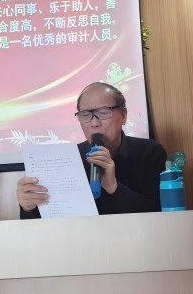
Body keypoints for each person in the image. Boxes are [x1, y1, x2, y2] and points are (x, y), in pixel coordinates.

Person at [17, 82, 167, 218]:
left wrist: (113, 187)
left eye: (103, 112)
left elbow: (160, 215)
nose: (94, 123)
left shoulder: (150, 153)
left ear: (123, 115)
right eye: (85, 115)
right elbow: (45, 222)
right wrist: (28, 207)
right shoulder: (68, 160)